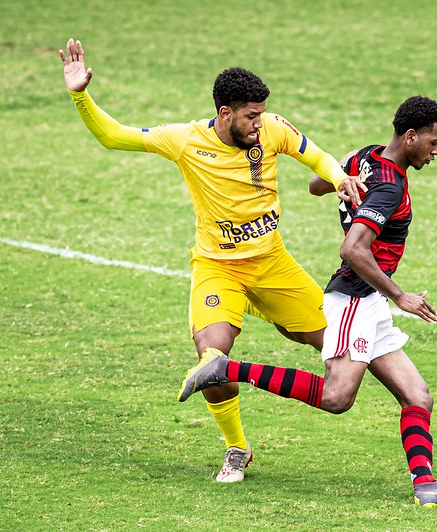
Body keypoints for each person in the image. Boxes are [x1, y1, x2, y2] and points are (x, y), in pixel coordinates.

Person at [59, 38, 365, 483]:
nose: (260, 124)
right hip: (219, 269)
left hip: (273, 264)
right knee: (212, 360)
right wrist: (80, 94)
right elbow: (114, 136)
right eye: (251, 116)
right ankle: (237, 448)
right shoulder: (185, 140)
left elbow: (314, 154)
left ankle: (411, 405)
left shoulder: (273, 128)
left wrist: (339, 178)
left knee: (344, 346)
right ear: (225, 114)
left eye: (262, 114)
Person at [178, 96, 437, 507]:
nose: (436, 152)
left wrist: (346, 184)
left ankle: (426, 484)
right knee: (337, 398)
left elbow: (317, 184)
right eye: (432, 142)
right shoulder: (388, 187)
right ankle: (224, 367)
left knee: (417, 394)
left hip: (370, 301)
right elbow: (352, 250)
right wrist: (401, 296)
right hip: (355, 299)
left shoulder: (365, 157)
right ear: (410, 136)